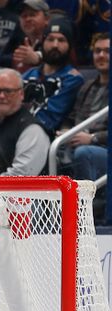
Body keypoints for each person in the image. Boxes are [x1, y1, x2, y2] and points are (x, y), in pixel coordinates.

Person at [58, 34, 109, 220]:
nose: (102, 55)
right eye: (97, 51)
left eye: (107, 51)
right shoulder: (87, 86)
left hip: (102, 148)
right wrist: (65, 131)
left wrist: (93, 138)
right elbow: (71, 118)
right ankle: (52, 209)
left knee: (84, 153)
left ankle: (86, 210)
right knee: (55, 148)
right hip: (79, 142)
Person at [21, 20, 84, 135]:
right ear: (43, 43)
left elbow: (50, 117)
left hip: (41, 135)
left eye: (61, 40)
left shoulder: (72, 79)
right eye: (50, 39)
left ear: (69, 45)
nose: (55, 45)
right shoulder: (30, 74)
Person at [12, 0, 51, 72]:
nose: (27, 19)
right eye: (24, 16)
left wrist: (38, 59)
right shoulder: (19, 44)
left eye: (32, 15)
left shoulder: (56, 40)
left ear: (47, 19)